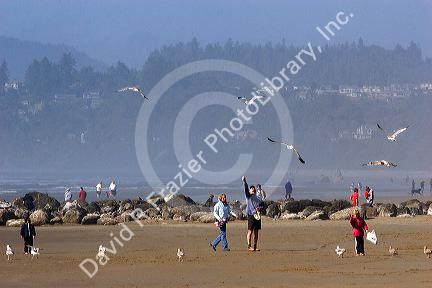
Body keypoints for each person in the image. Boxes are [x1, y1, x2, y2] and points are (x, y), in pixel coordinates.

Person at [243, 175, 263, 251]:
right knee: (250, 231)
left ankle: (255, 246)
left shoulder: (258, 198)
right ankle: (249, 246)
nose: (253, 191)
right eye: (251, 190)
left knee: (256, 232)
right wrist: (244, 182)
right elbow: (245, 189)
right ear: (249, 191)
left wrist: (259, 208)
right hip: (251, 215)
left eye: (254, 190)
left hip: (257, 216)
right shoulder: (248, 197)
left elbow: (262, 206)